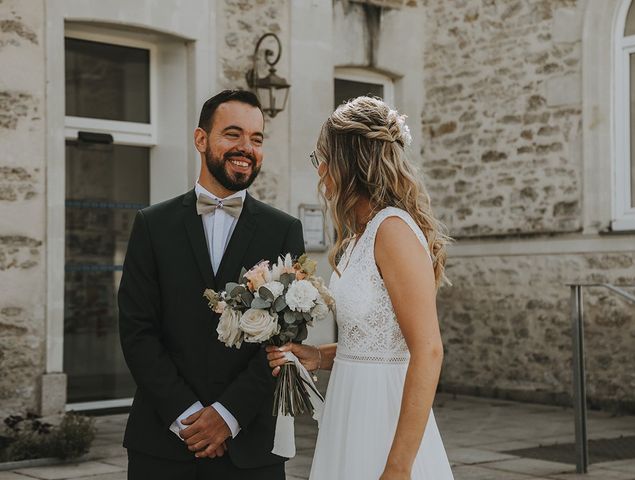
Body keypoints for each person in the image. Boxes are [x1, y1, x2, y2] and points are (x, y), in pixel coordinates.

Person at [118, 89, 304, 480]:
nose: (246, 148)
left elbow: (284, 340)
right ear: (200, 139)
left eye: (256, 138)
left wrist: (227, 415)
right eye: (233, 134)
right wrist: (188, 417)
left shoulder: (283, 230)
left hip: (251, 445)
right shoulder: (152, 226)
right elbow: (137, 331)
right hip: (163, 443)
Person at [267, 96, 454, 479]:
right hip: (349, 405)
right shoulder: (360, 236)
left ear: (346, 163)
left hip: (382, 412)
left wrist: (399, 467)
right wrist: (319, 355)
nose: (319, 169)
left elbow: (428, 350)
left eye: (322, 157)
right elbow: (375, 338)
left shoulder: (393, 230)